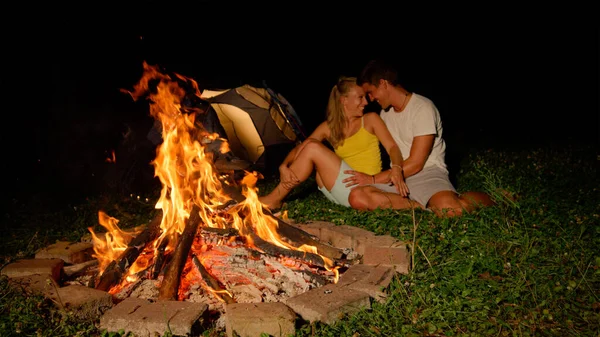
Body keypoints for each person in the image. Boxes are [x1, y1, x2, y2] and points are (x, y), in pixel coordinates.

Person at [347, 59, 496, 217]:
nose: (370, 99)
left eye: (370, 92)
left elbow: (416, 163)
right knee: (357, 197)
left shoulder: (422, 108)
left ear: (383, 83)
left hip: (427, 174)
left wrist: (373, 179)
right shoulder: (385, 114)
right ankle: (418, 206)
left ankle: (493, 197)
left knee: (453, 210)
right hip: (399, 179)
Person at [258, 76, 412, 210]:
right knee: (310, 146)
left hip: (364, 188)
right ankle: (275, 198)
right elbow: (301, 147)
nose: (365, 102)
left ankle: (274, 199)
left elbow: (392, 147)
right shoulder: (329, 127)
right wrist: (283, 166)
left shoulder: (370, 119)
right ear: (344, 100)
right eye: (360, 97)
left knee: (312, 147)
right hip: (340, 190)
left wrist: (397, 167)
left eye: (365, 97)